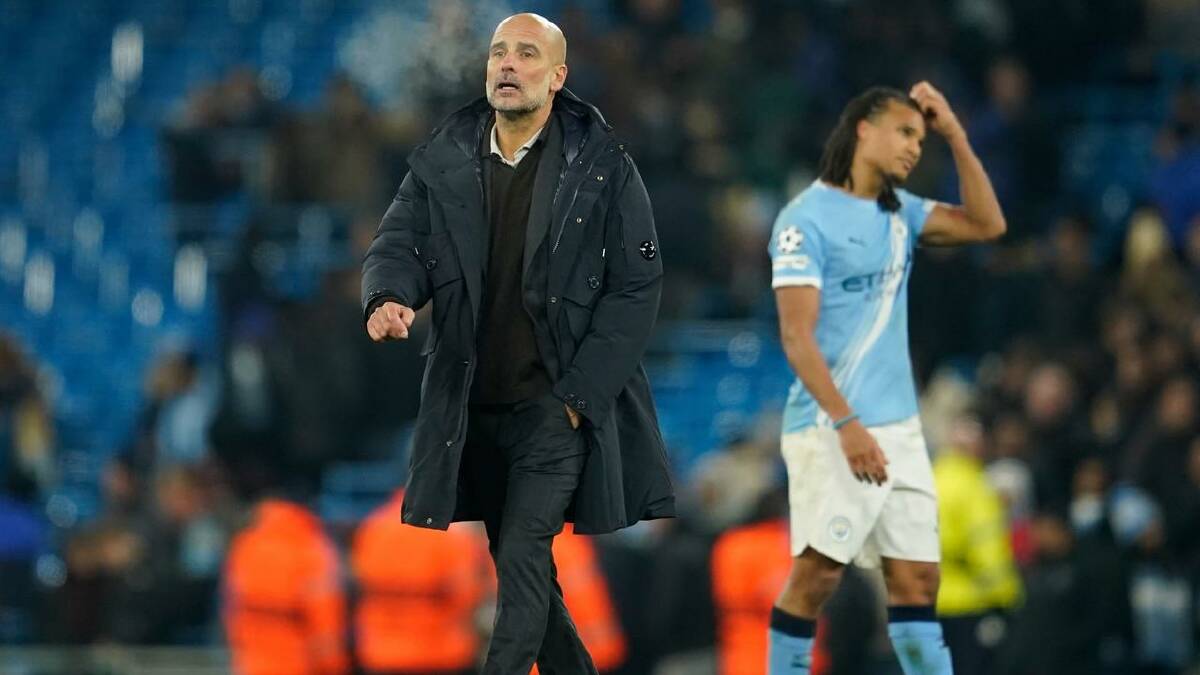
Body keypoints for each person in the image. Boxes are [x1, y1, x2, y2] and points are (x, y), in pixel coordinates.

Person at [360, 13, 674, 674]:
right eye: (498, 52)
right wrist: (389, 295)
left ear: (558, 76)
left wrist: (577, 397)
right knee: (524, 573)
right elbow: (399, 241)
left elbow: (636, 285)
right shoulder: (448, 155)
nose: (506, 63)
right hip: (475, 407)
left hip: (550, 406)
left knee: (524, 557)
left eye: (526, 54)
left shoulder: (602, 166)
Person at [767, 83, 1006, 674]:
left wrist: (955, 134)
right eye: (906, 132)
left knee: (918, 580)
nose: (915, 149)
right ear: (863, 130)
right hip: (831, 426)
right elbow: (796, 338)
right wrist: (847, 425)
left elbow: (988, 224)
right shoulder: (804, 220)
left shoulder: (902, 216)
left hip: (898, 427)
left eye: (922, 140)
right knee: (818, 576)